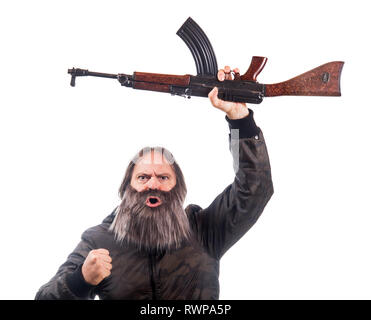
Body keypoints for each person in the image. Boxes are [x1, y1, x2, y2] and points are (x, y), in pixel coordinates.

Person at [35, 66, 274, 300]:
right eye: (143, 177)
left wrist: (239, 118)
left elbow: (255, 188)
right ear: (127, 187)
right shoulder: (100, 241)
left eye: (163, 177)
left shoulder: (204, 230)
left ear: (178, 187)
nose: (153, 184)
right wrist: (80, 280)